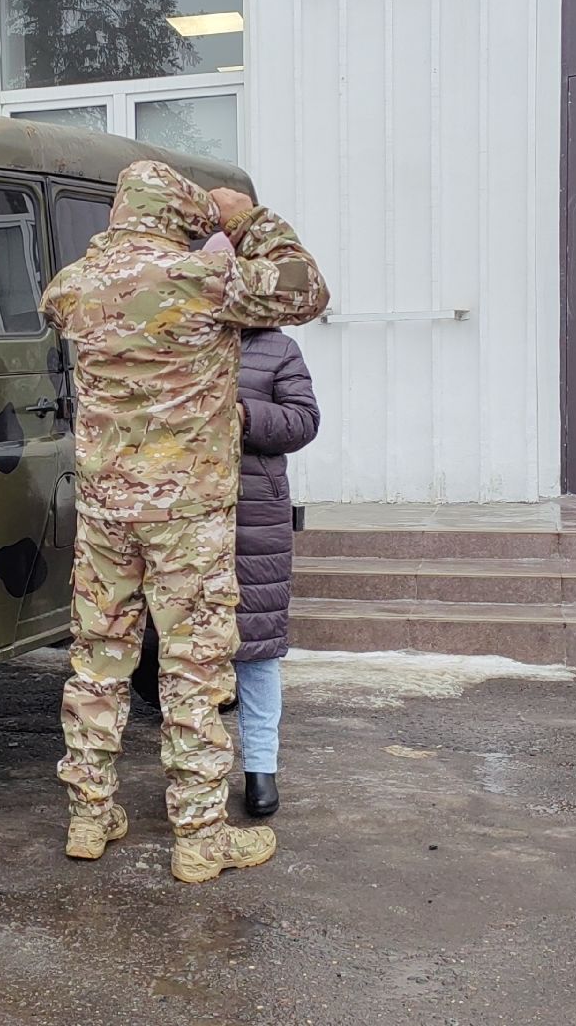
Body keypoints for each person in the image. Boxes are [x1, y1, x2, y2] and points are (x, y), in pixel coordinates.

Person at [41, 159, 329, 884]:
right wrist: (243, 219)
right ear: (180, 215)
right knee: (193, 669)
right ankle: (200, 838)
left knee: (98, 661)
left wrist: (119, 245)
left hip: (108, 513)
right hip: (187, 516)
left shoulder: (74, 287)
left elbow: (60, 297)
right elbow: (306, 289)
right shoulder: (202, 281)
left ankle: (89, 814)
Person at [230, 324, 319, 817]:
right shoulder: (178, 332)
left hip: (255, 516)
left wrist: (244, 416)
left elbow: (304, 420)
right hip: (184, 513)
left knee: (257, 646)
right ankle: (192, 771)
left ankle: (260, 769)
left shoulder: (277, 347)